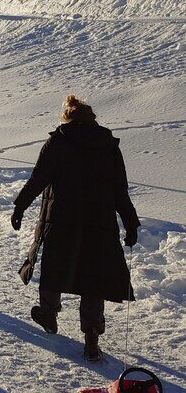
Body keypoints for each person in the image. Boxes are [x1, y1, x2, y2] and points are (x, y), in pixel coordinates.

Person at [12, 95, 139, 362]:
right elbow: (119, 190)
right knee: (93, 277)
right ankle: (91, 336)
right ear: (92, 118)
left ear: (68, 117)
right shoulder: (108, 146)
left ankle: (48, 314)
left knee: (54, 269)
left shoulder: (58, 141)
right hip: (99, 223)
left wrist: (20, 206)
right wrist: (130, 222)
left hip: (62, 221)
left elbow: (38, 178)